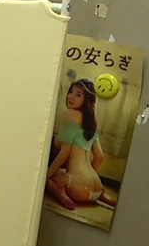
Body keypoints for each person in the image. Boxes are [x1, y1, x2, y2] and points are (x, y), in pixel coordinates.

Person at [46, 78, 115, 210]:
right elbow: (99, 157)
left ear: (87, 100)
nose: (71, 97)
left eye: (78, 95)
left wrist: (46, 176)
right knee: (61, 171)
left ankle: (58, 191)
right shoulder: (91, 122)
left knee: (48, 175)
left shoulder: (71, 115)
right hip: (97, 184)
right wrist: (87, 178)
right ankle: (102, 195)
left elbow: (64, 153)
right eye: (70, 92)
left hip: (77, 187)